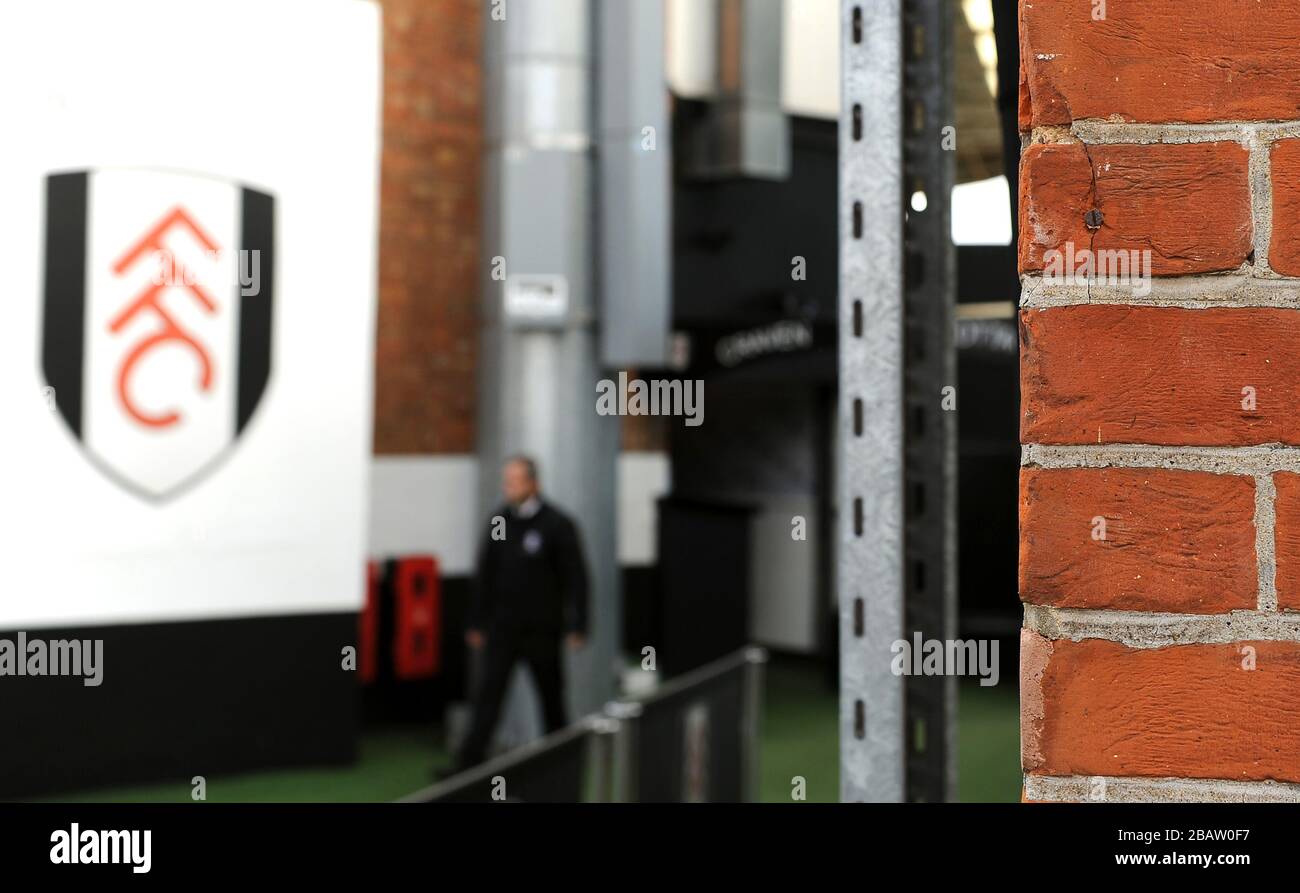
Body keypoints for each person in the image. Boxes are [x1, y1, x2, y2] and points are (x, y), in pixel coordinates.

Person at [451, 455, 589, 771]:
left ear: (533, 484)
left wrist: (578, 623)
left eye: (515, 481)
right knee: (488, 697)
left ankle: (562, 765)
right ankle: (466, 766)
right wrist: (476, 620)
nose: (508, 487)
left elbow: (576, 577)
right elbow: (485, 573)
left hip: (542, 631)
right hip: (503, 629)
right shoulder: (500, 522)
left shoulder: (557, 524)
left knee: (551, 699)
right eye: (506, 481)